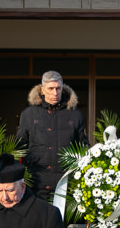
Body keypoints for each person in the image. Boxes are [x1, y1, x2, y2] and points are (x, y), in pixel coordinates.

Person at [17, 70, 89, 202]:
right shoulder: (28, 114)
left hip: (65, 185)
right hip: (36, 185)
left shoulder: (75, 114)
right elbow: (19, 147)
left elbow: (83, 148)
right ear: (42, 90)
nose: (55, 93)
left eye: (58, 88)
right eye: (51, 89)